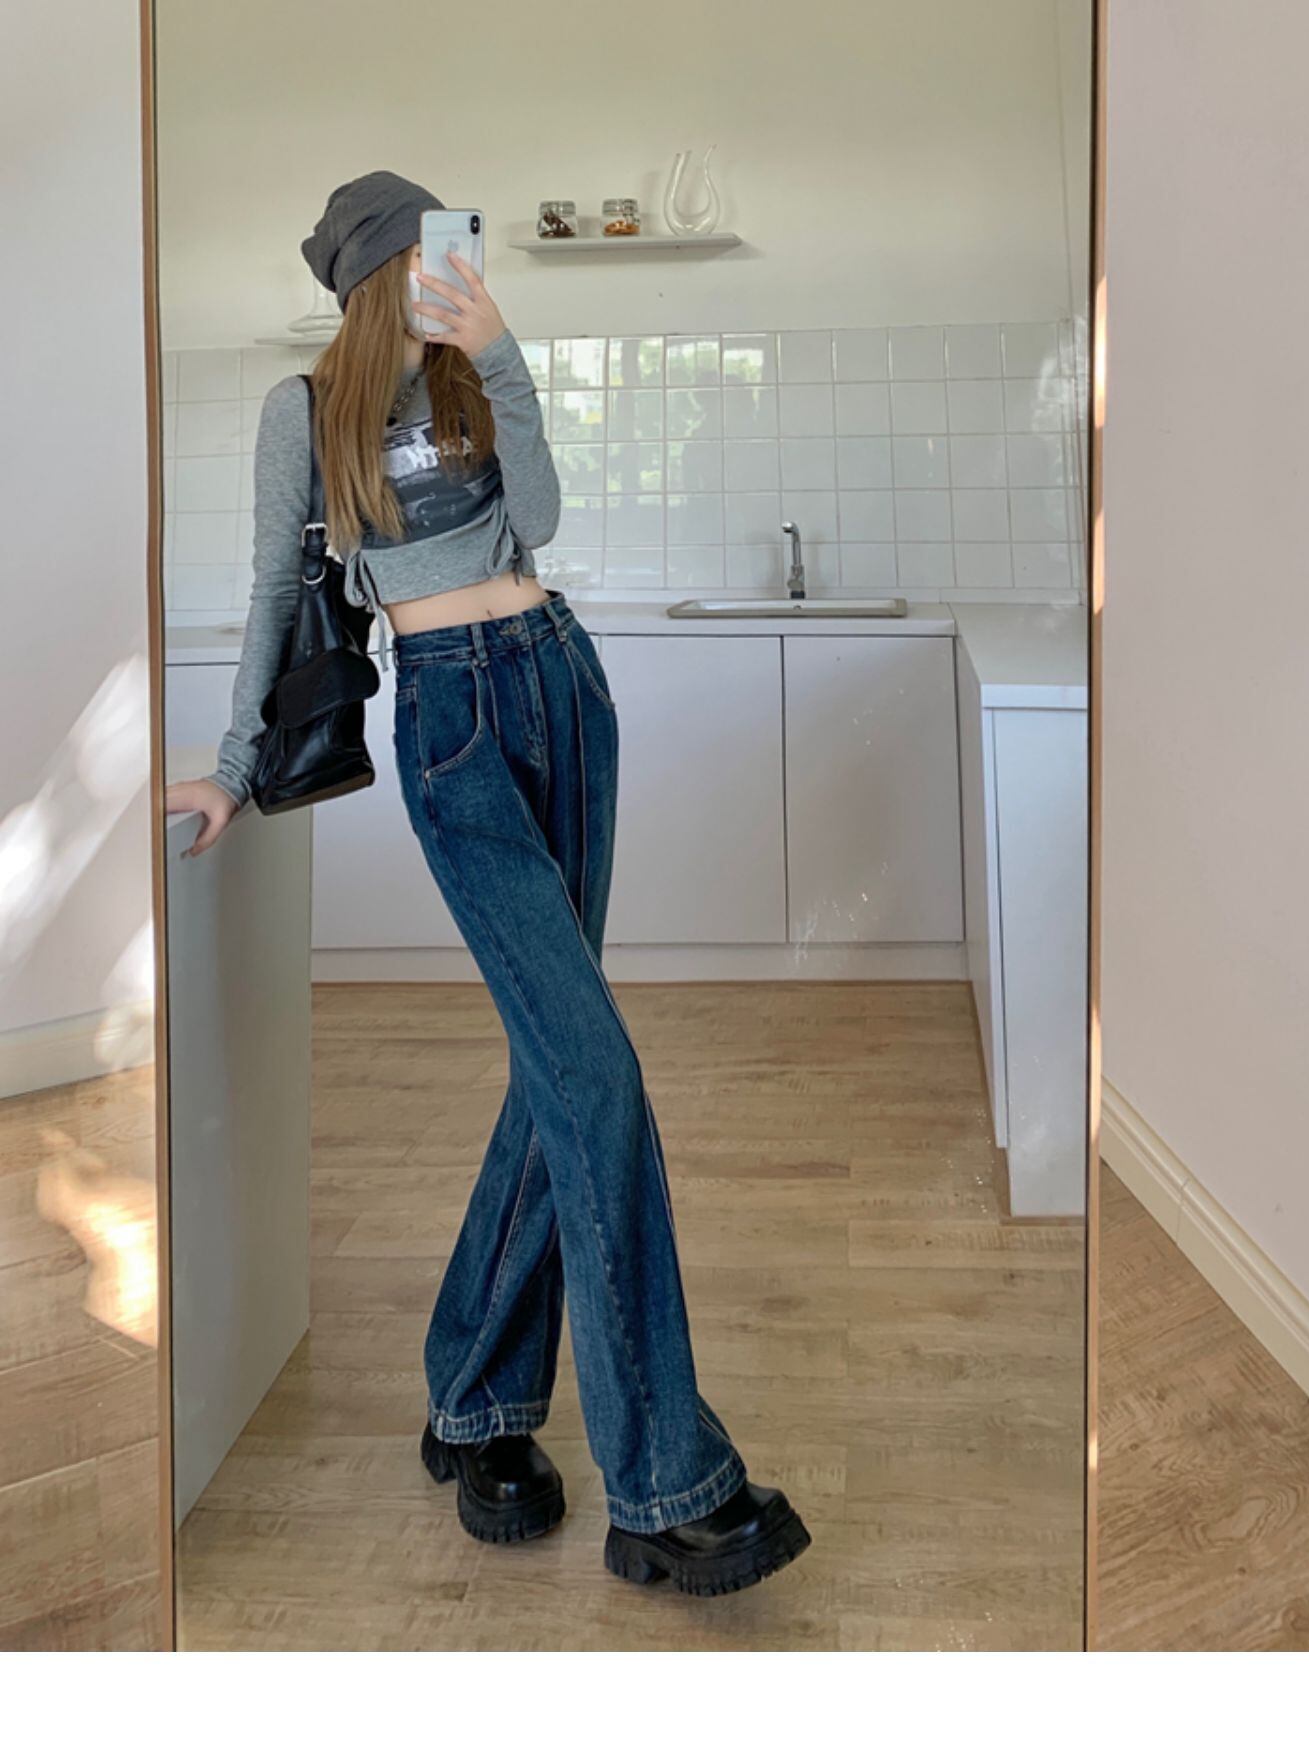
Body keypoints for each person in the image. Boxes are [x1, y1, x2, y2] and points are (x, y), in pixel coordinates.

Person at [166, 171, 809, 1597]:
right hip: (448, 716)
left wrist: (504, 351)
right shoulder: (303, 411)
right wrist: (230, 768)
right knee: (593, 1070)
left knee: (558, 1067)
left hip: (559, 683)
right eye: (423, 253)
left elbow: (549, 516)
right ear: (374, 273)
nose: (447, 270)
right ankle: (665, 1480)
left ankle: (477, 1398)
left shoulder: (471, 374)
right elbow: (275, 592)